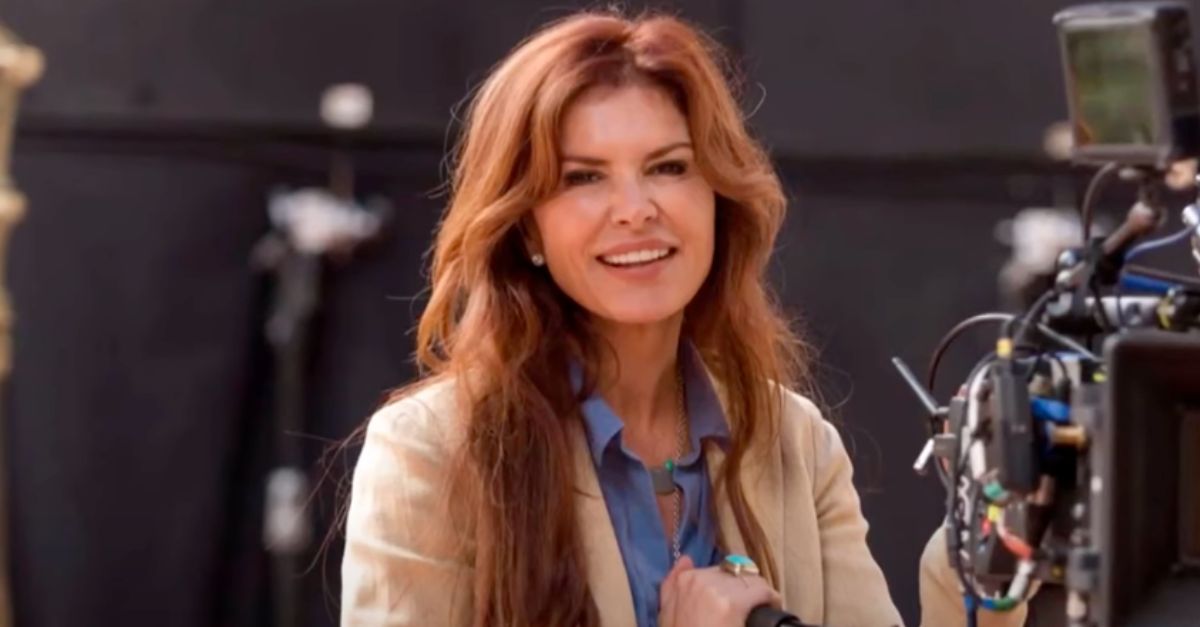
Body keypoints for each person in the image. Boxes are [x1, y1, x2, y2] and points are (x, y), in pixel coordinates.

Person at [341, 10, 1030, 627]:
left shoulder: (795, 443)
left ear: (718, 199)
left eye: (668, 167)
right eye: (584, 177)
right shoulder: (430, 453)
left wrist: (985, 565)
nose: (636, 209)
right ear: (527, 229)